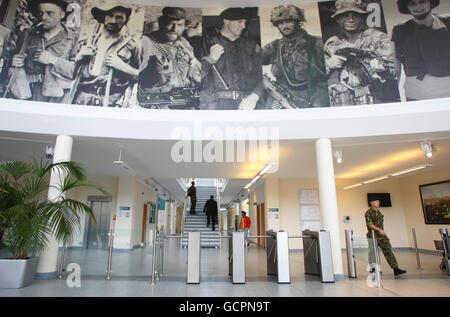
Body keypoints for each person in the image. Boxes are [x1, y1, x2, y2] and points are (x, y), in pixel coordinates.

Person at [323, 0, 399, 106]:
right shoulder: (332, 43)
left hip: (377, 97)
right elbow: (318, 78)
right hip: (345, 99)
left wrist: (382, 69)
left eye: (355, 16)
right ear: (338, 19)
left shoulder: (377, 38)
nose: (351, 19)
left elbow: (397, 70)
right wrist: (329, 64)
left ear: (362, 18)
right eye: (345, 16)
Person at [1, 0, 77, 102]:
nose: (43, 17)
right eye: (40, 13)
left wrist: (53, 60)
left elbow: (78, 72)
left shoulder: (73, 39)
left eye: (50, 13)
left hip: (56, 98)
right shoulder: (26, 35)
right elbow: (5, 67)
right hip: (25, 94)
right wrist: (13, 62)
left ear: (62, 14)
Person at [70, 3, 141, 107]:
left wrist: (124, 67)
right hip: (82, 100)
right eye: (110, 15)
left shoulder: (132, 45)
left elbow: (143, 78)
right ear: (103, 16)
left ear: (126, 20)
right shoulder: (86, 41)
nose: (113, 21)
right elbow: (68, 75)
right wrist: (78, 58)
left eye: (119, 17)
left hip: (112, 102)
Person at [261, 5, 330, 109]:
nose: (284, 26)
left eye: (289, 21)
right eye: (280, 23)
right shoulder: (274, 46)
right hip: (284, 96)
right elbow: (253, 59)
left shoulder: (317, 43)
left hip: (314, 95)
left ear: (298, 22)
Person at [200, 7, 264, 110]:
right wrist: (209, 59)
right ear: (226, 21)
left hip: (246, 106)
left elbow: (263, 77)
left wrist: (255, 96)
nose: (243, 26)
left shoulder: (252, 47)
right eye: (240, 22)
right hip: (215, 107)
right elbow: (194, 78)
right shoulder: (206, 44)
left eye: (245, 22)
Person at [138, 7, 201, 109]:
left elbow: (195, 75)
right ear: (161, 23)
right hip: (158, 105)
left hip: (185, 102)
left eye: (179, 25)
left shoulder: (184, 43)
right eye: (170, 23)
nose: (174, 29)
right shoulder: (147, 42)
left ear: (184, 26)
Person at [391, 0, 450, 101]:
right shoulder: (400, 31)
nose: (418, 6)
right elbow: (395, 68)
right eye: (412, 3)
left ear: (430, 2)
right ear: (407, 7)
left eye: (422, 1)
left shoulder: (447, 23)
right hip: (417, 96)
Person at [365, 199, 407, 275]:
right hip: (373, 236)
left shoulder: (379, 212)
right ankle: (373, 269)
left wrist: (381, 231)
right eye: (376, 202)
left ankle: (395, 269)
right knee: (373, 253)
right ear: (372, 203)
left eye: (378, 201)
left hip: (382, 236)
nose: (378, 203)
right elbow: (369, 224)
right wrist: (379, 230)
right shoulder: (369, 212)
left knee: (388, 251)